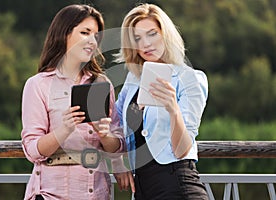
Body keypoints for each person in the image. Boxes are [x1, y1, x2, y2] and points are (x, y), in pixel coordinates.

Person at [21, 4, 124, 200]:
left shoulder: (102, 84)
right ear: (64, 34)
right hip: (50, 194)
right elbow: (33, 150)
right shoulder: (37, 85)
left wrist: (104, 134)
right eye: (85, 32)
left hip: (97, 193)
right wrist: (64, 129)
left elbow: (117, 145)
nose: (92, 41)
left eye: (96, 36)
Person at [113, 3, 209, 200]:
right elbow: (113, 124)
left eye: (152, 34)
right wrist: (116, 162)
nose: (145, 44)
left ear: (166, 34)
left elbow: (182, 149)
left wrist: (173, 109)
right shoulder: (132, 81)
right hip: (142, 189)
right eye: (137, 38)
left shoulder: (190, 79)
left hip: (177, 185)